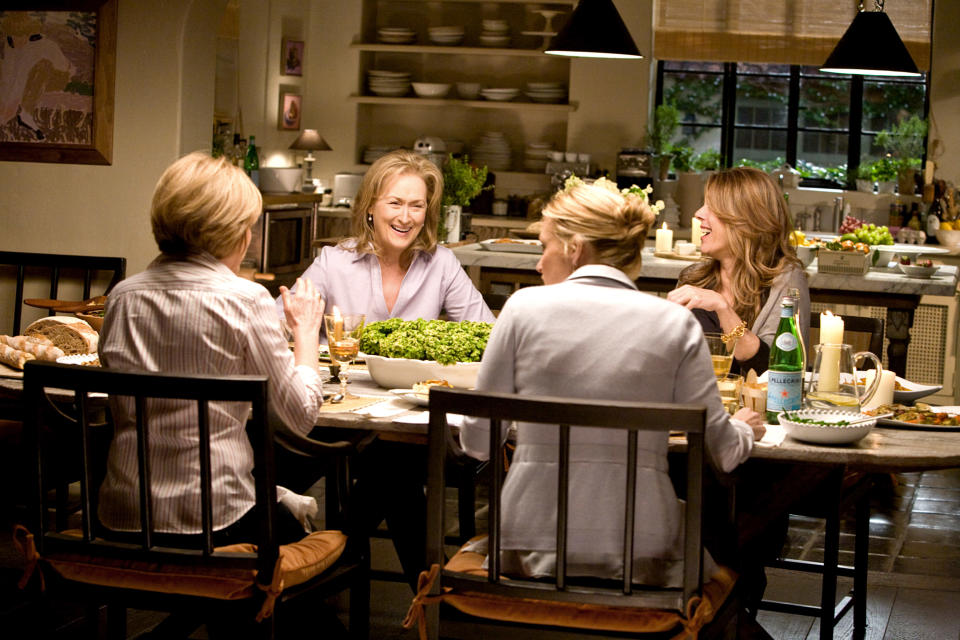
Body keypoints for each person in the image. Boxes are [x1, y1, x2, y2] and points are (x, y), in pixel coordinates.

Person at [458, 178, 764, 585]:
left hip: (527, 552)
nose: (538, 263)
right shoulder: (673, 324)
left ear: (575, 248)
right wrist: (744, 427)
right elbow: (724, 453)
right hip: (643, 558)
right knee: (719, 563)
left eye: (545, 246)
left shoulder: (521, 309)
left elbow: (477, 443)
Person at [98, 152, 325, 546]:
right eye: (248, 227)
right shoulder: (246, 300)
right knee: (309, 531)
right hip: (215, 521)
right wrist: (306, 333)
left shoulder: (122, 296)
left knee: (282, 500)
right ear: (234, 232)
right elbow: (300, 418)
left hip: (122, 514)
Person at [277, 148, 495, 328]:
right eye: (395, 203)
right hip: (339, 380)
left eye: (417, 206)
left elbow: (488, 334)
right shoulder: (333, 262)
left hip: (414, 382)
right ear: (370, 206)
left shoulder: (442, 263)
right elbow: (275, 325)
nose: (405, 217)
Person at [667, 167, 810, 375]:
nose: (698, 214)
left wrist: (722, 308)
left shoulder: (786, 281)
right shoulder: (693, 278)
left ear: (746, 221)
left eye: (712, 207)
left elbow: (777, 374)